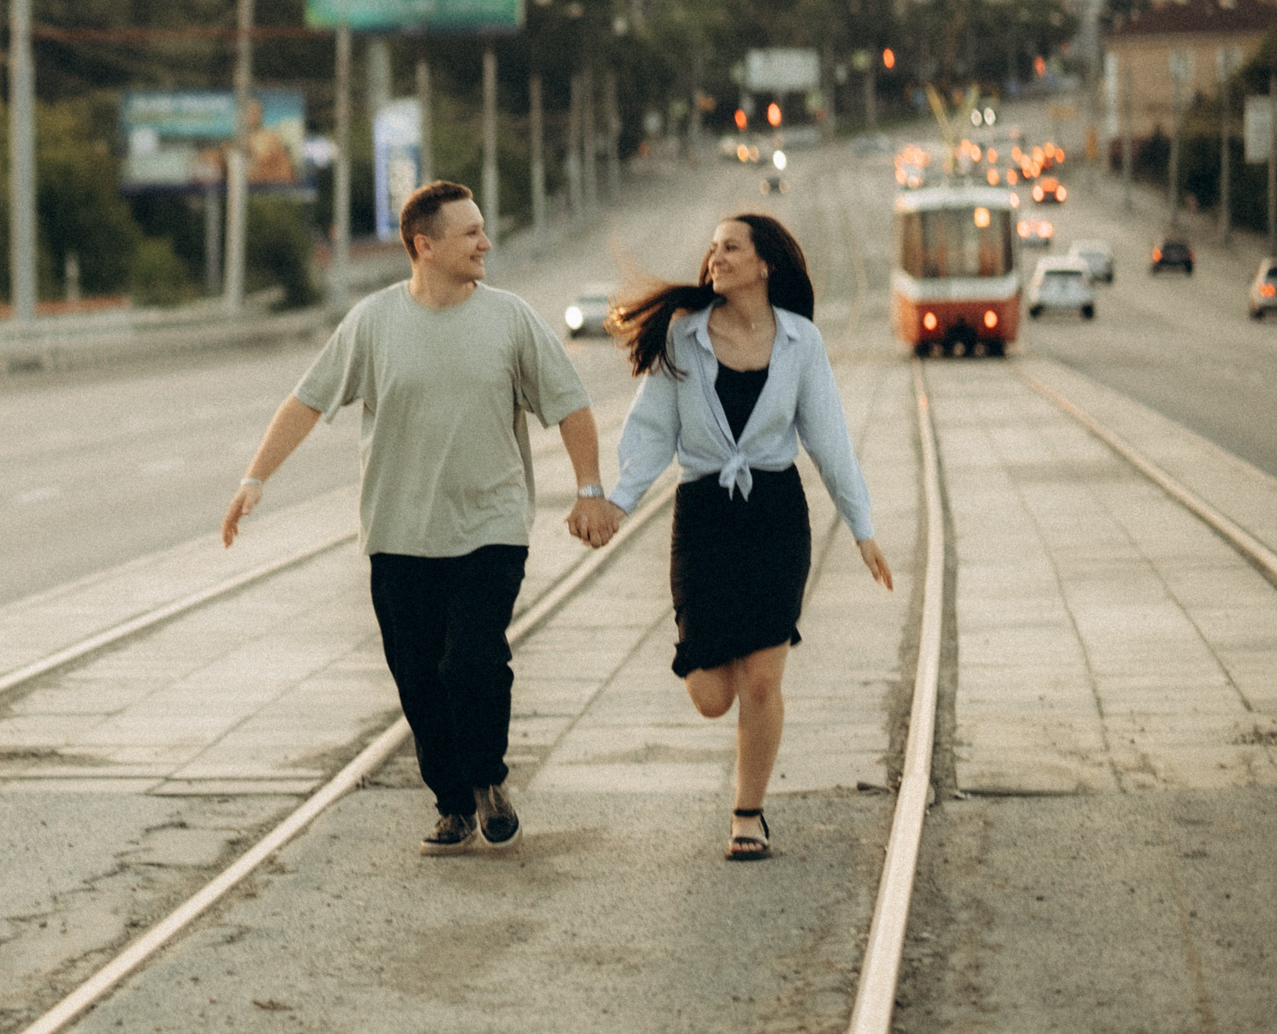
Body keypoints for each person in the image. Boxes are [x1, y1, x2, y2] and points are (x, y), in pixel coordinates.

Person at [222, 180, 615, 855]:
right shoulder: (373, 322)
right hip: (398, 531)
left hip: (490, 525)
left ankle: (487, 779)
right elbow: (308, 401)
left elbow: (570, 403)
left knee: (473, 660)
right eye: (471, 233)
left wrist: (589, 488)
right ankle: (452, 803)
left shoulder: (511, 318)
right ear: (424, 246)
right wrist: (255, 478)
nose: (486, 243)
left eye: (483, 229)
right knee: (418, 676)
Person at [603, 213, 893, 862]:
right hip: (704, 516)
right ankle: (731, 656)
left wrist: (863, 529)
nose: (715, 257)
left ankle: (748, 812)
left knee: (762, 681)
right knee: (712, 696)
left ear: (765, 264)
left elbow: (829, 438)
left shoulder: (801, 341)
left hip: (774, 517)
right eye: (712, 247)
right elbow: (651, 432)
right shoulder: (682, 338)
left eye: (730, 247)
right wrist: (617, 502)